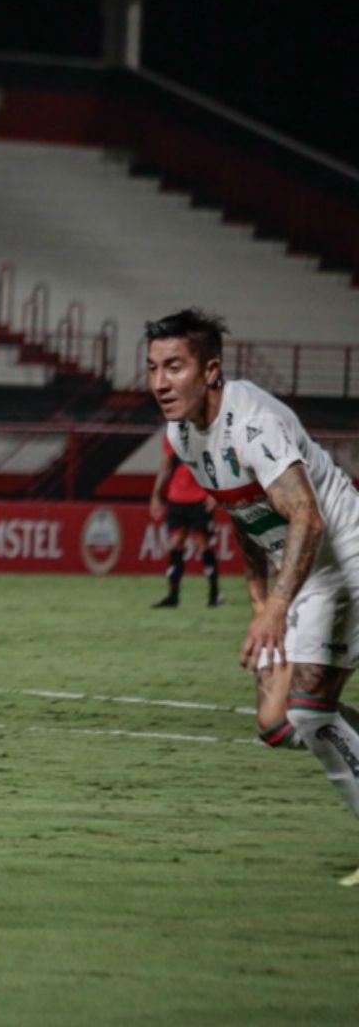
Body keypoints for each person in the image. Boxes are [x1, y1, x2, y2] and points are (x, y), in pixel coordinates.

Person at [149, 308, 359, 886]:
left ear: (210, 371)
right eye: (153, 368)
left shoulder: (254, 424)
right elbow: (242, 512)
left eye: (175, 367)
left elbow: (308, 518)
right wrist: (257, 601)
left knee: (309, 711)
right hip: (297, 571)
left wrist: (276, 609)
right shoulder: (183, 435)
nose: (160, 382)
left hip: (343, 559)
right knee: (276, 723)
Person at [148, 434, 220, 608]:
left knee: (202, 543)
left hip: (200, 498)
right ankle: (173, 596)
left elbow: (217, 461)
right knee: (176, 543)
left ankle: (214, 595)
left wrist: (216, 492)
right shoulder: (171, 434)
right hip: (176, 498)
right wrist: (156, 495)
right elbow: (166, 465)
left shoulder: (203, 431)